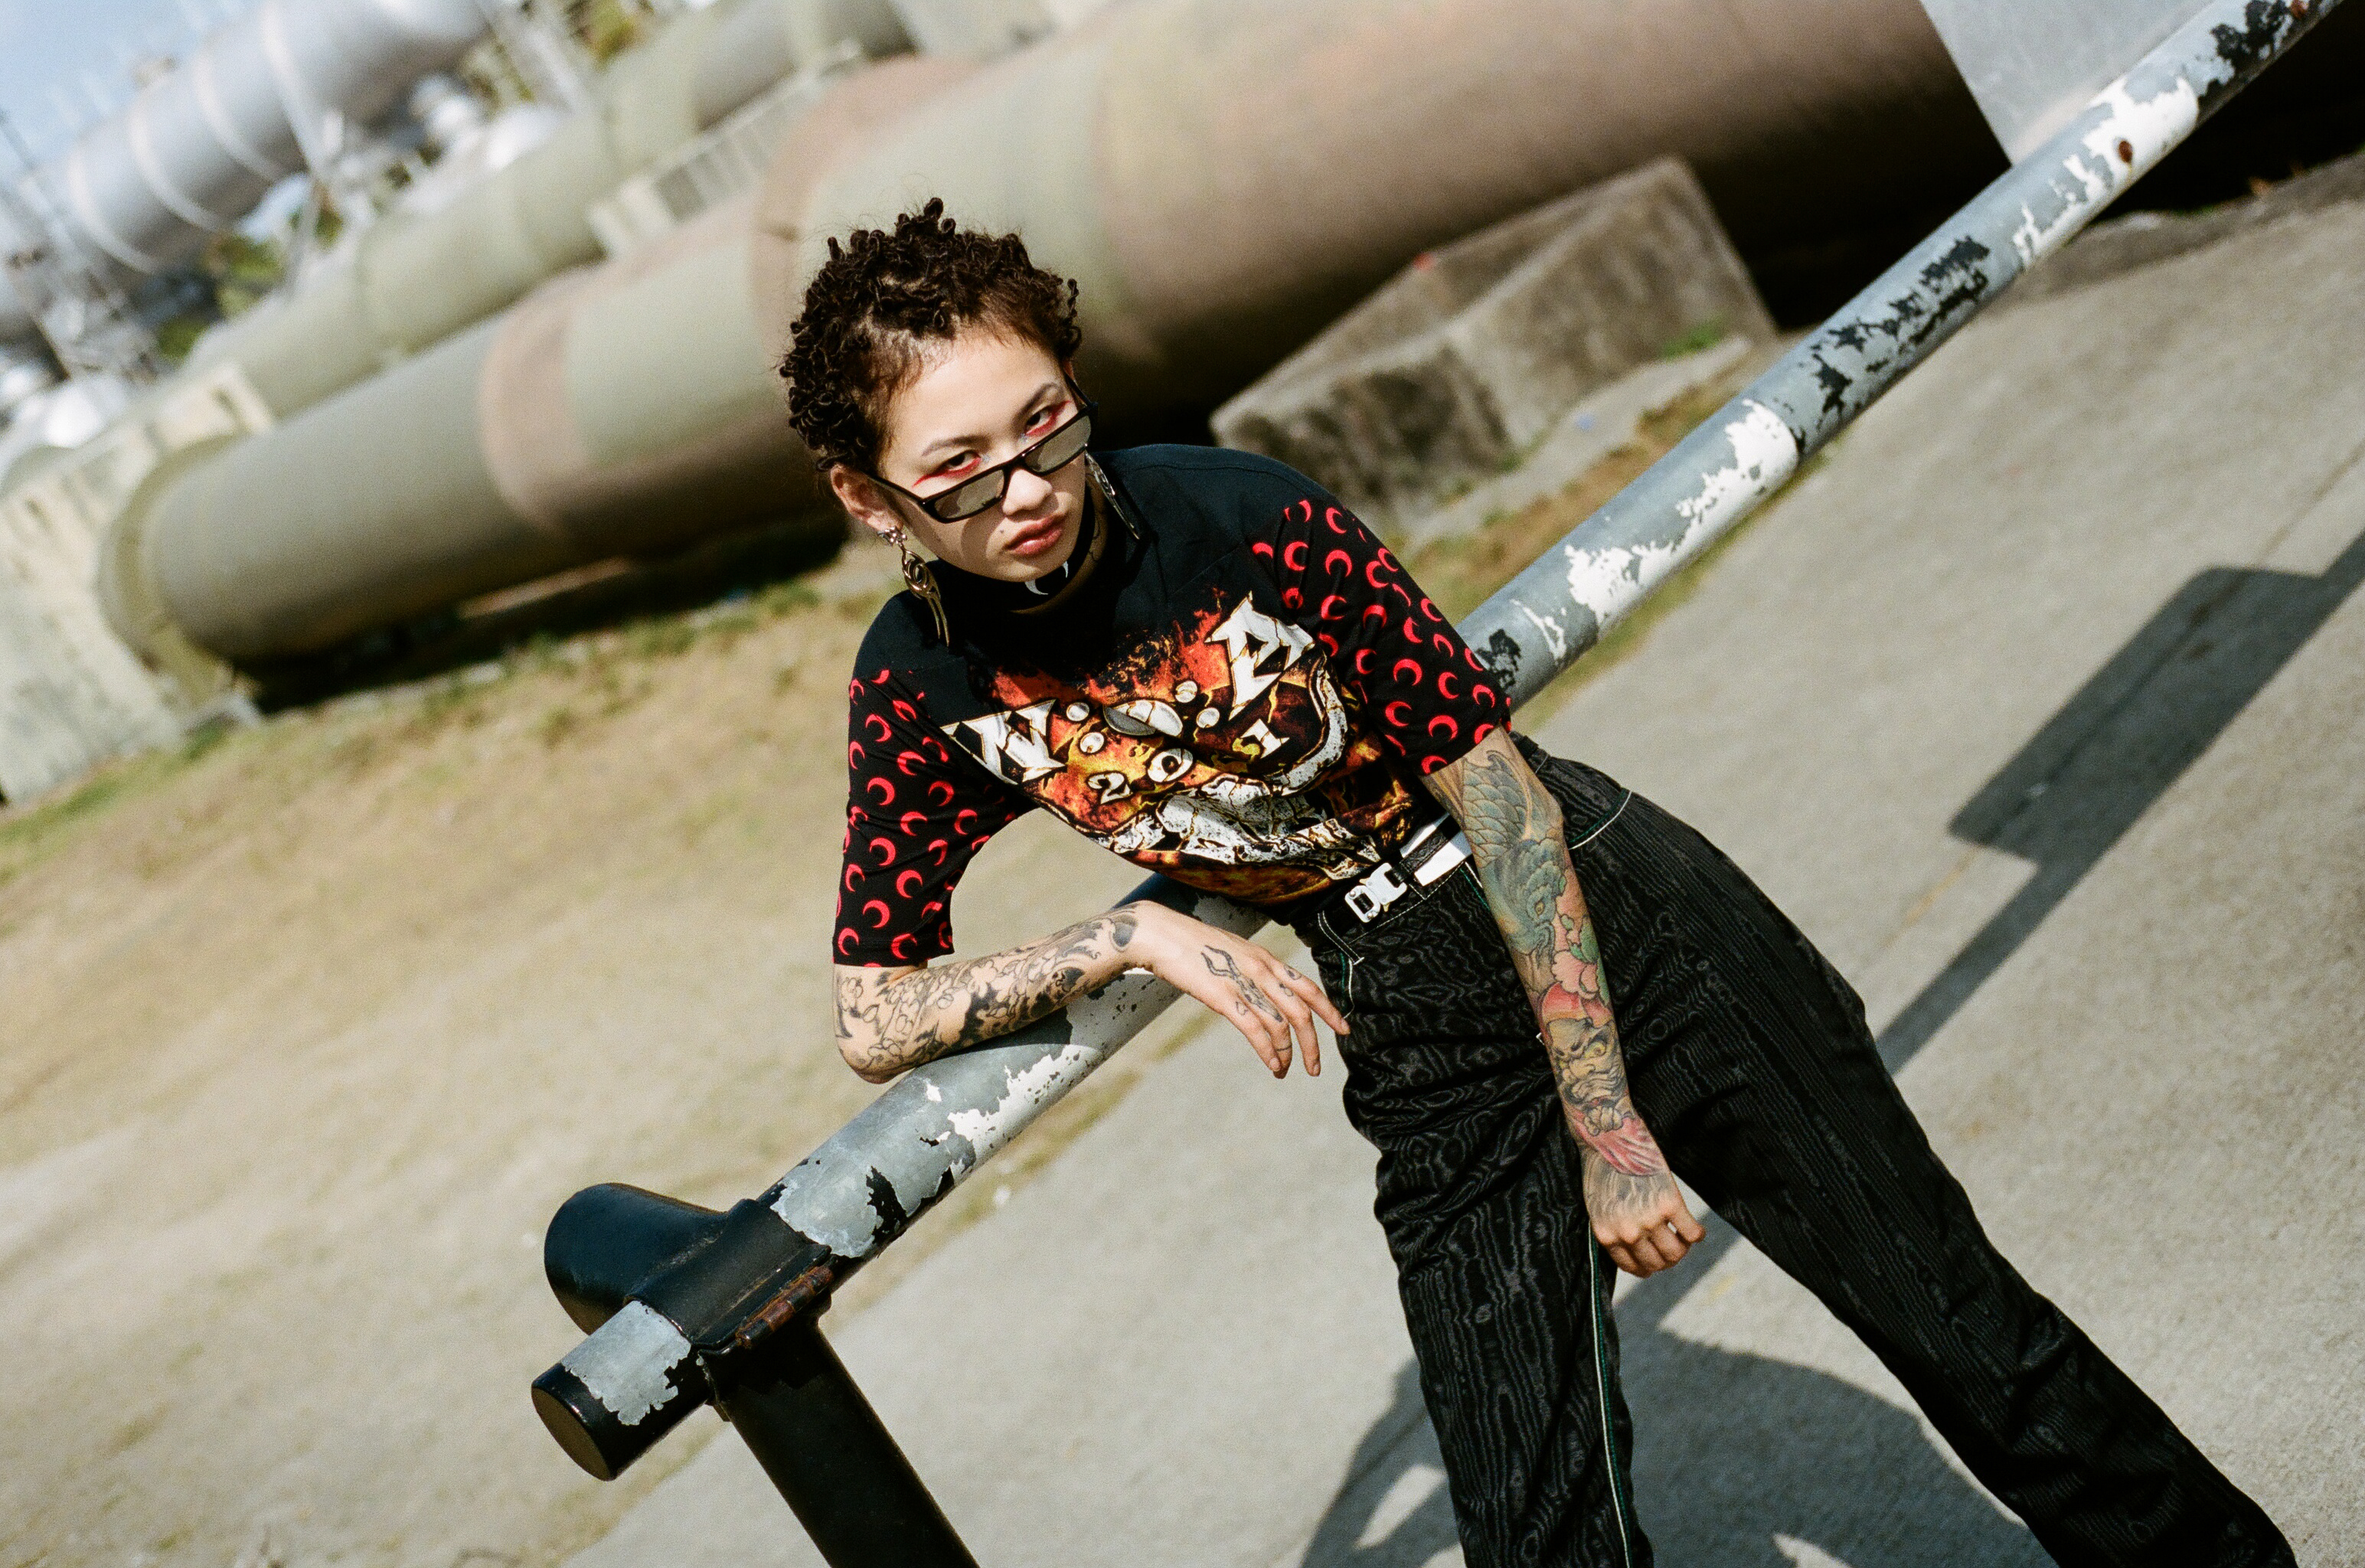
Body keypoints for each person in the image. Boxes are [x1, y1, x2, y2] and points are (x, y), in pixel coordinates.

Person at [782, 199, 2289, 1568]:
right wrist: (1122, 941)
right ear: (869, 497)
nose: (1026, 490)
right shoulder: (921, 688)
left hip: (1618, 925)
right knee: (1531, 1522)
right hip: (1413, 1025)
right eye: (958, 470)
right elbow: (874, 1011)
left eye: (1046, 424)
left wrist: (1609, 1127)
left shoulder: (1240, 517)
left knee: (1966, 1336)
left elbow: (1498, 798)